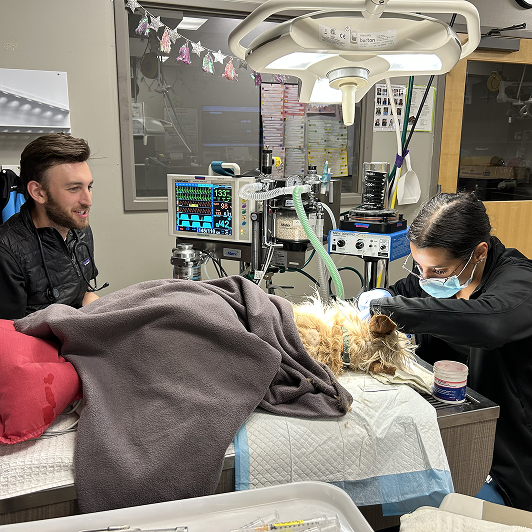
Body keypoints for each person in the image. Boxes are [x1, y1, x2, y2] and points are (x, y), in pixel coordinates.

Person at [358, 192, 532, 511]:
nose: (425, 280)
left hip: (511, 460)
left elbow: (490, 324)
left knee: (425, 509)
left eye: (437, 271)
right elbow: (407, 293)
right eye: (418, 266)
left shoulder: (520, 283)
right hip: (457, 428)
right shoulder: (441, 276)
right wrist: (382, 296)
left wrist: (388, 308)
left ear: (479, 253)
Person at [0, 133, 106, 320]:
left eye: (89, 187)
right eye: (74, 188)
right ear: (38, 192)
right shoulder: (6, 254)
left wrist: (110, 319)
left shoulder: (79, 230)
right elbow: (10, 338)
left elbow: (85, 294)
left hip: (78, 334)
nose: (88, 201)